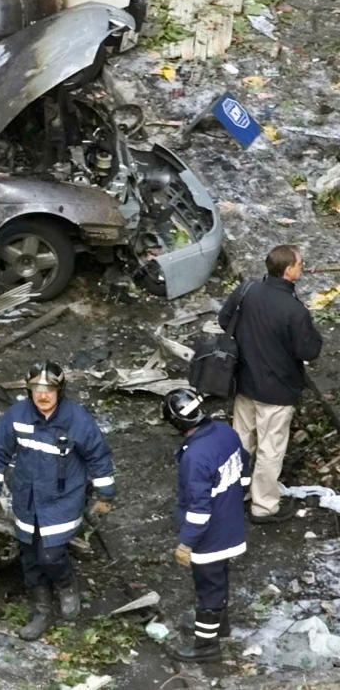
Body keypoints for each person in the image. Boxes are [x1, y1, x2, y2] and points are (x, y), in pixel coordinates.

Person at [0, 361, 115, 640]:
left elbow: (99, 457)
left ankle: (66, 587)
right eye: (36, 390)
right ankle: (41, 609)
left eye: (49, 390)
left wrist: (105, 496)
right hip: (27, 499)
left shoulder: (76, 419)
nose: (42, 396)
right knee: (29, 556)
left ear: (60, 390)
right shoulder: (17, 417)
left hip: (62, 499)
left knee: (50, 554)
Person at [218, 244, 322, 523]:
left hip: (244, 381)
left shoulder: (247, 290)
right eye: (300, 264)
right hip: (277, 390)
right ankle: (264, 507)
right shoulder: (294, 311)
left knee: (239, 441)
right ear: (289, 271)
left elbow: (224, 320)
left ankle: (231, 493)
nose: (302, 267)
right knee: (270, 450)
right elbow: (309, 351)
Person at [162, 387, 250, 662]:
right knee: (220, 576)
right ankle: (218, 625)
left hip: (210, 535)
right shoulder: (225, 431)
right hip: (230, 522)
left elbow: (198, 510)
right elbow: (244, 467)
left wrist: (186, 542)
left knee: (208, 587)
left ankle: (206, 646)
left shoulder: (195, 456)